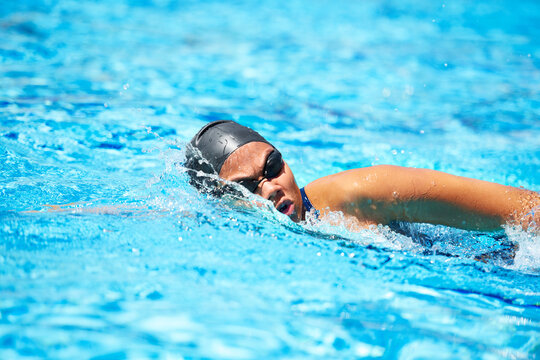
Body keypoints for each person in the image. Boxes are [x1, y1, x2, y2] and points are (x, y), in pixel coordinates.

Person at [185, 120, 539, 232]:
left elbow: (525, 210)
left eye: (273, 166)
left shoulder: (363, 193)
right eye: (247, 187)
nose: (272, 187)